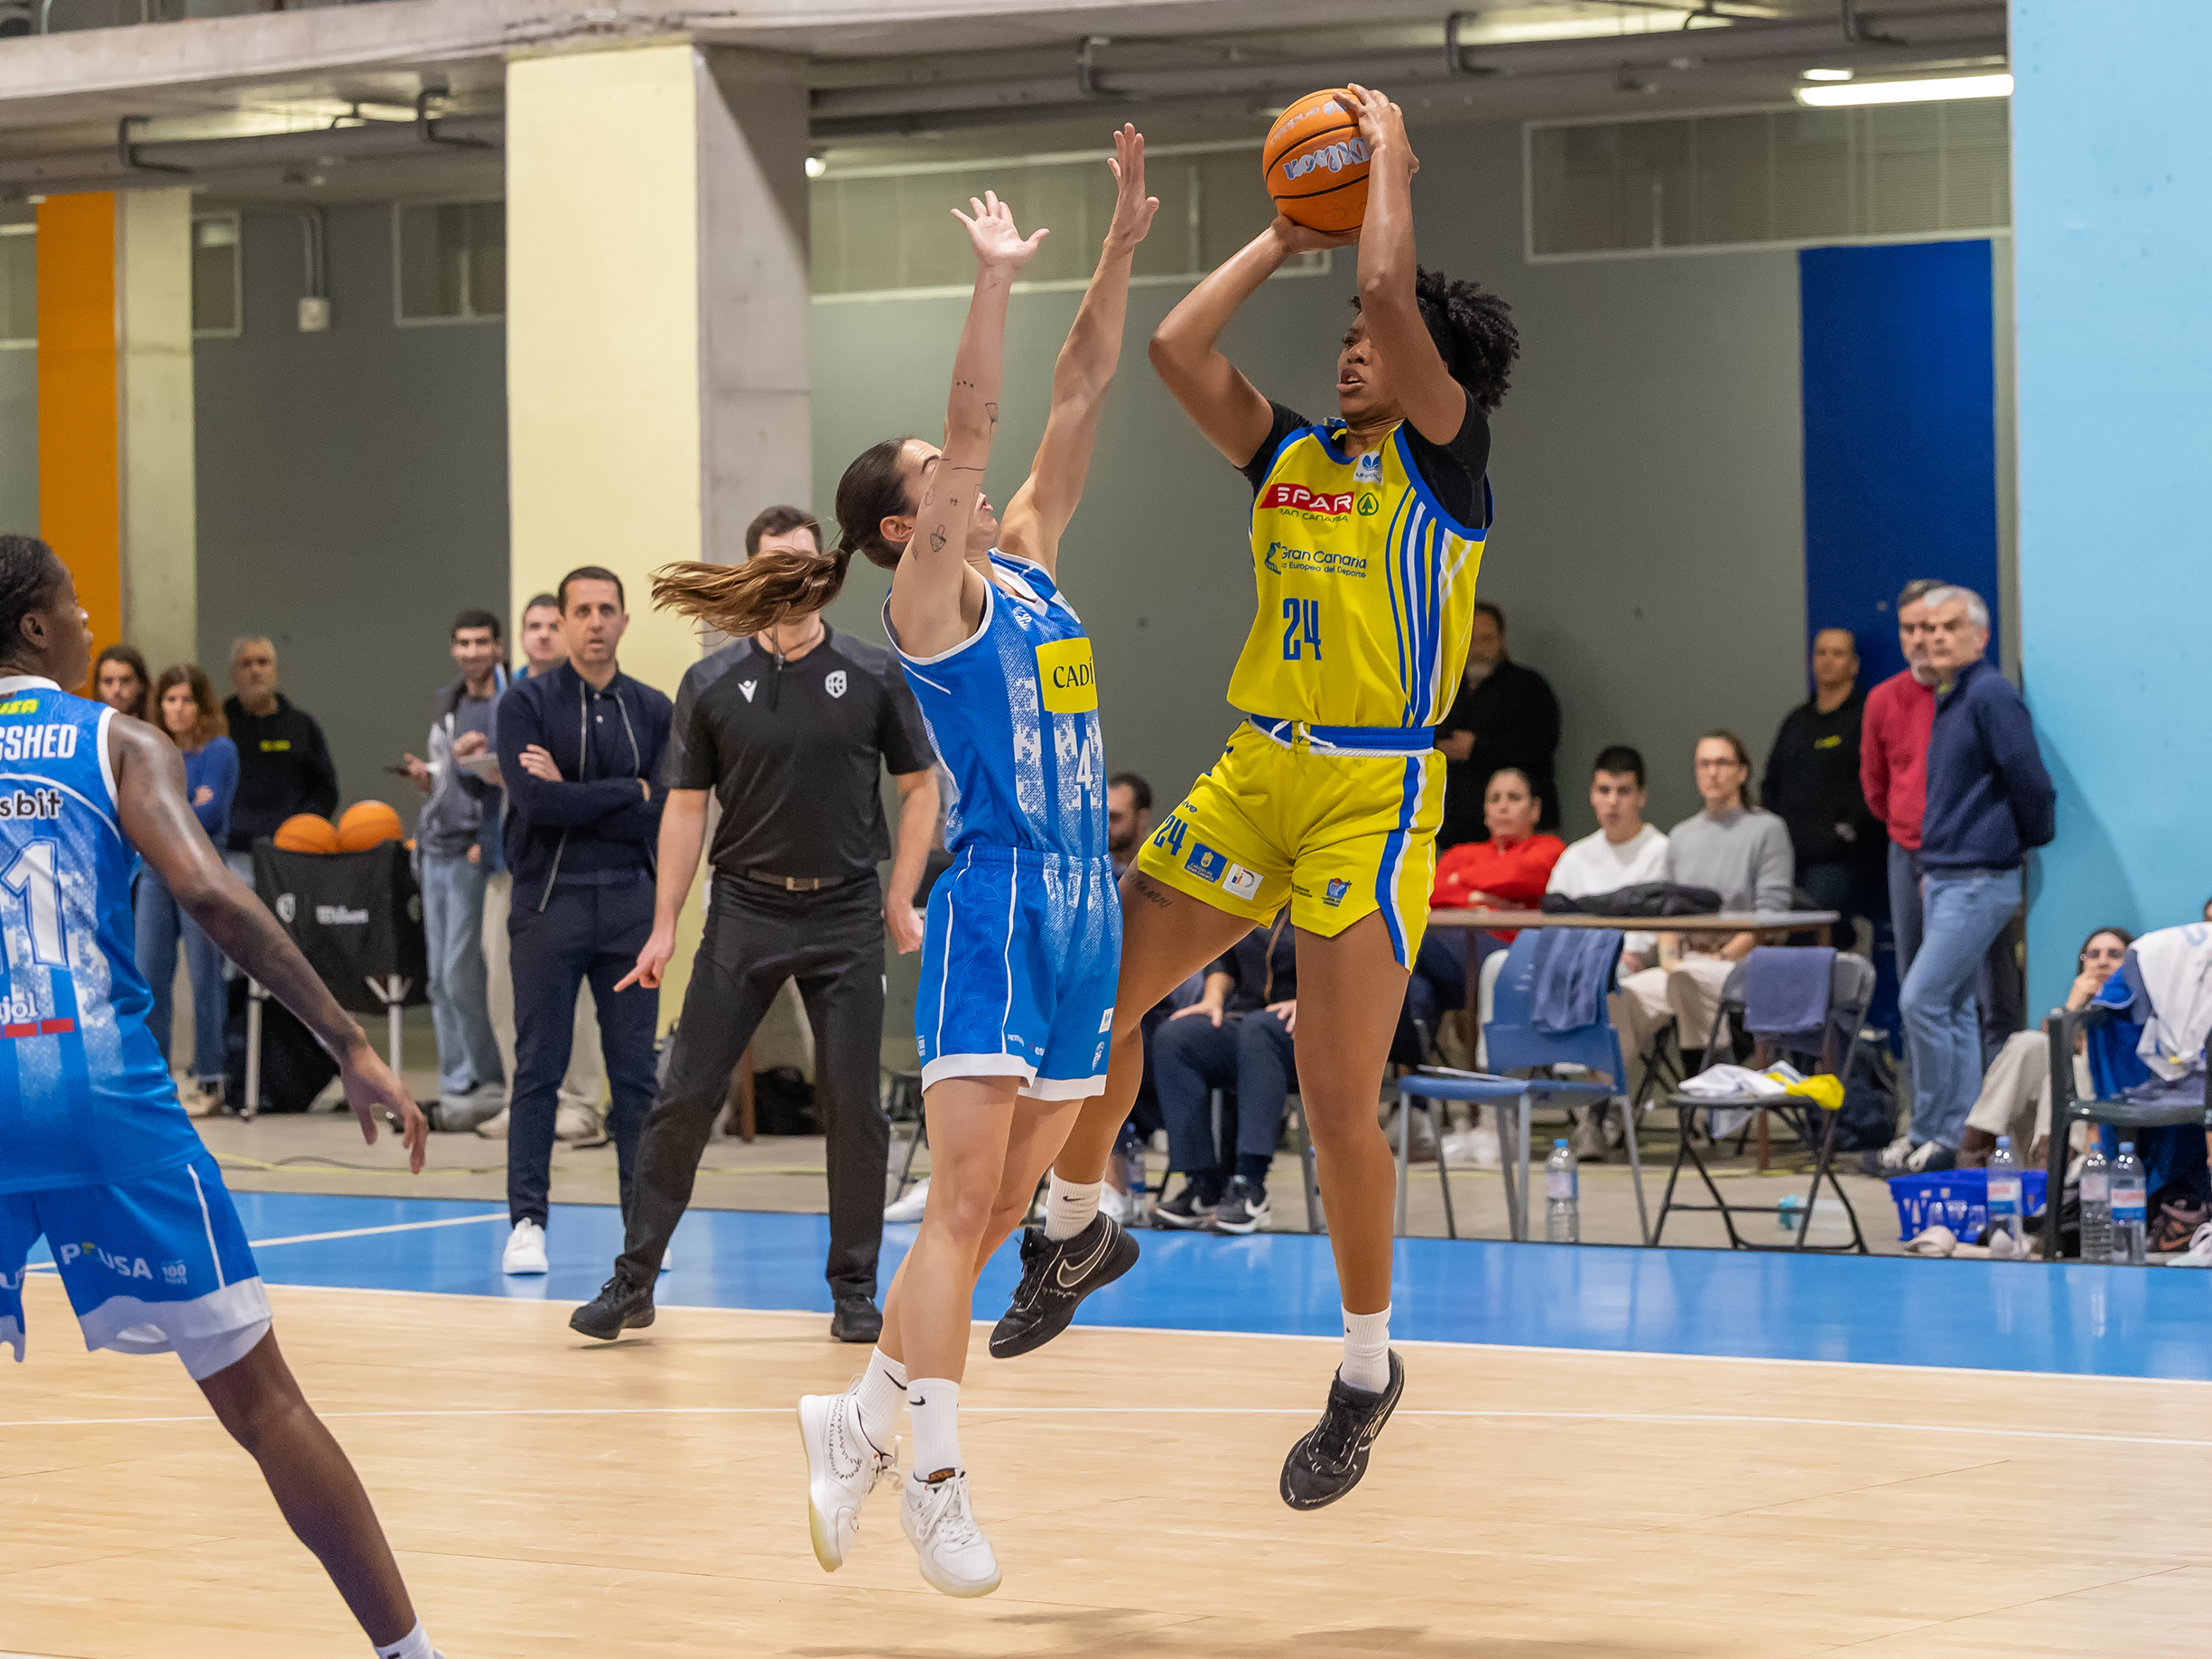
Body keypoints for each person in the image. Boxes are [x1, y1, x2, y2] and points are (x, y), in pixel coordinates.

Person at [1008, 87, 1520, 1512]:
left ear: (1428, 369)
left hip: (1373, 789)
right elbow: (1175, 348)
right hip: (1255, 769)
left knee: (1335, 1098)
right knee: (1095, 996)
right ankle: (1079, 1220)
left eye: (1372, 336)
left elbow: (1391, 290)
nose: (1352, 343)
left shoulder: (1446, 462)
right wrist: (1285, 235)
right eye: (1344, 334)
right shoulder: (1289, 456)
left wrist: (1387, 167)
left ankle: (1363, 1367)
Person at [787, 132, 1154, 1599]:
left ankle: (860, 1417)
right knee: (955, 1207)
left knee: (1004, 1213)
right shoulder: (931, 600)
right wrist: (992, 280)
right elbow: (981, 412)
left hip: (1084, 908)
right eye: (937, 478)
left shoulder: (1036, 562)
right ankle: (931, 1480)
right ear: (907, 523)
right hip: (997, 905)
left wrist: (1119, 244)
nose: (964, 479)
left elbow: (1082, 388)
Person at [0, 536, 442, 1659]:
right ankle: (411, 1654)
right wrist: (347, 1038)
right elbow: (208, 892)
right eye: (73, 602)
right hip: (96, 1089)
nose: (90, 617)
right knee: (263, 1401)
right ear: (38, 628)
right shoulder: (116, 739)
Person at [567, 504, 938, 1345]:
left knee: (855, 1107)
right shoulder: (710, 682)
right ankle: (634, 1280)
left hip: (845, 909)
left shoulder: (872, 674)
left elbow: (920, 788)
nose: (793, 579)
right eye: (776, 565)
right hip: (746, 908)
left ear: (824, 574)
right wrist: (664, 924)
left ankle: (854, 1290)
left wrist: (899, 894)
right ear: (750, 575)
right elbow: (684, 809)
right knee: (683, 1095)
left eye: (806, 564)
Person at [492, 566, 672, 1275]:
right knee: (539, 1068)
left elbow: (666, 810)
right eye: (582, 610)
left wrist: (578, 792)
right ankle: (527, 1222)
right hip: (548, 905)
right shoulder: (525, 704)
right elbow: (536, 804)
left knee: (635, 1076)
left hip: (630, 907)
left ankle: (644, 1231)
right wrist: (628, 790)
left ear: (624, 620)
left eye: (607, 609)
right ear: (562, 622)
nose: (595, 621)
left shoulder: (653, 709)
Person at [1890, 585, 2055, 1172]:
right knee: (1954, 1007)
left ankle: (1938, 1131)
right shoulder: (1953, 696)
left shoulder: (1989, 694)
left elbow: (2031, 781)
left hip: (1979, 877)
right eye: (1928, 627)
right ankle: (1959, 1136)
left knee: (1922, 998)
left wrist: (2010, 846)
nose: (1935, 637)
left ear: (1981, 636)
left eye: (1950, 626)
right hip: (1947, 874)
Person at [476, 592, 605, 1143]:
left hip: (573, 866)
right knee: (505, 988)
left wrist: (554, 778)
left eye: (554, 624)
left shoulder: (592, 693)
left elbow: (610, 776)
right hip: (509, 863)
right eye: (534, 625)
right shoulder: (504, 698)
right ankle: (523, 1098)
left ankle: (580, 1102)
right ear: (521, 637)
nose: (544, 634)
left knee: (574, 992)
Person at [1611, 732, 1794, 1070]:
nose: (1713, 772)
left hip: (1741, 962)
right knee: (1621, 996)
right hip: (1685, 961)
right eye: (1704, 763)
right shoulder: (1682, 836)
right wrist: (1668, 959)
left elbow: (1770, 917)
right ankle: (1609, 1096)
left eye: (1722, 763)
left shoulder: (1767, 830)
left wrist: (1722, 956)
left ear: (1742, 772)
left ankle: (1710, 1088)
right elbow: (1666, 912)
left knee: (1689, 982)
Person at [402, 610, 509, 1125]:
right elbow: (445, 777)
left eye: (481, 642)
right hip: (434, 847)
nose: (472, 652)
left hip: (472, 848)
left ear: (498, 646)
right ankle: (454, 1082)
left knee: (461, 972)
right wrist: (426, 778)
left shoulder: (510, 703)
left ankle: (487, 1078)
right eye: (463, 643)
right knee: (438, 979)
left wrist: (488, 840)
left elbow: (509, 777)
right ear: (453, 649)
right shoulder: (449, 703)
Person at [1542, 744, 1670, 1157]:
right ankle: (1495, 1113)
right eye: (1604, 790)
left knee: (1605, 980)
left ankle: (1597, 1112)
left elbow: (1653, 935)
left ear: (1641, 796)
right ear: (1592, 795)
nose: (1612, 802)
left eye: (1623, 791)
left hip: (1628, 966)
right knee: (1497, 968)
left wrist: (1630, 954)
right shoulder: (1575, 856)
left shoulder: (1660, 851)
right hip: (1571, 960)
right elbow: (1552, 922)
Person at [1149, 912, 1298, 1235]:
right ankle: (1202, 1186)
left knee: (1260, 1030)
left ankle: (1250, 1185)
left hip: (1310, 1030)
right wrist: (1213, 998)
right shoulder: (1257, 898)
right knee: (1177, 1038)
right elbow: (1223, 958)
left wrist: (1314, 1002)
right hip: (1250, 1023)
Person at [135, 664, 238, 1112]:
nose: (178, 709)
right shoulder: (150, 750)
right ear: (159, 706)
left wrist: (162, 810)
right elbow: (138, 811)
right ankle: (156, 1079)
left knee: (204, 977)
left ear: (202, 705)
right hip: (156, 871)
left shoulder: (220, 750)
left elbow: (210, 815)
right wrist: (182, 806)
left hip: (202, 870)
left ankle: (211, 1079)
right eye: (170, 700)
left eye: (187, 700)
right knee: (148, 975)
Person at [1956, 926, 2129, 1170]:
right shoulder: (2065, 1013)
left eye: (2114, 954)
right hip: (2041, 1129)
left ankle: (2052, 1170)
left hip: (2100, 1122)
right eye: (2094, 955)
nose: (2102, 962)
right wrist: (2072, 1007)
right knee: (2028, 1043)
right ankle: (1976, 1151)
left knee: (2069, 1067)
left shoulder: (2138, 1013)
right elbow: (2047, 1048)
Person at [1763, 627, 1883, 931]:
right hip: (1789, 855)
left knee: (1809, 926)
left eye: (1838, 653)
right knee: (1770, 923)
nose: (1828, 660)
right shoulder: (1797, 721)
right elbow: (1771, 782)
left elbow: (1878, 782)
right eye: (1821, 652)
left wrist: (1847, 831)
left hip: (1841, 859)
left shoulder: (1867, 717)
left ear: (1854, 664)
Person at [1435, 601, 1560, 847]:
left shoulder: (1528, 687)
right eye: (1470, 640)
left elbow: (1542, 743)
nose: (1477, 649)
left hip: (1525, 837)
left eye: (1486, 639)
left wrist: (1477, 748)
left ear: (1502, 640)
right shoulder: (1442, 691)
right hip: (1452, 834)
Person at [222, 636, 339, 883]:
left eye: (263, 662)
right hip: (232, 856)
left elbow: (325, 790)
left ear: (274, 670)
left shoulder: (302, 726)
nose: (255, 671)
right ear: (234, 674)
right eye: (246, 664)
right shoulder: (218, 726)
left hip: (292, 854)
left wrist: (302, 830)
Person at [1428, 766, 1564, 930]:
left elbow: (1514, 875)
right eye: (1494, 799)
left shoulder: (1550, 847)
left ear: (1534, 809)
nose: (1503, 807)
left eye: (1514, 798)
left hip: (1518, 940)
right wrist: (1477, 897)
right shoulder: (1459, 853)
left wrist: (1460, 877)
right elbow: (1431, 892)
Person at [1107, 771, 1152, 874]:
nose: (1106, 826)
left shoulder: (1159, 867)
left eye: (1115, 817)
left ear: (1142, 817)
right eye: (1103, 818)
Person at [94, 642, 150, 722]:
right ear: (97, 686)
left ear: (141, 684)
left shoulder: (156, 728)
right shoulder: (84, 726)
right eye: (108, 681)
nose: (116, 690)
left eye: (125, 681)